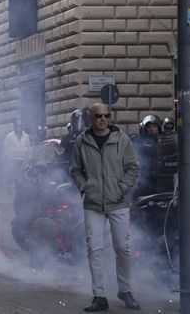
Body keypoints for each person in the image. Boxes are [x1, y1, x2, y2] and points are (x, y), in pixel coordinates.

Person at [70, 103, 140, 312]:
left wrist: (122, 187)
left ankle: (125, 290)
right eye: (98, 116)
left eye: (106, 115)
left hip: (118, 202)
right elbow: (75, 169)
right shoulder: (82, 141)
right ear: (91, 119)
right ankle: (99, 295)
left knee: (123, 248)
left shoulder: (122, 140)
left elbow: (132, 168)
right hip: (93, 204)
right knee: (95, 250)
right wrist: (85, 187)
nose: (103, 119)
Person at [3, 119, 30, 191]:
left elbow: (28, 148)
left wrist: (27, 159)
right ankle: (9, 187)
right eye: (17, 126)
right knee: (12, 174)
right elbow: (5, 148)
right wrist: (8, 157)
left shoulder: (26, 136)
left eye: (20, 126)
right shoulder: (9, 136)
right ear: (14, 127)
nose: (19, 128)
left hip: (22, 159)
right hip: (12, 159)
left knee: (21, 175)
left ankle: (20, 188)